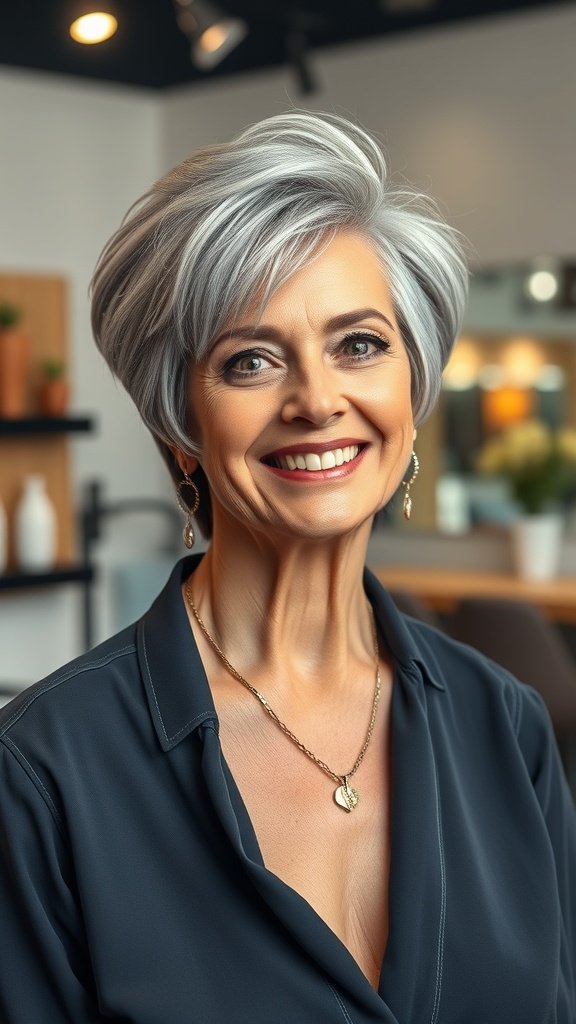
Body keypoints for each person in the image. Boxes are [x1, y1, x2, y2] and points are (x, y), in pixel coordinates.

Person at [0, 111, 574, 1024]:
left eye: (360, 345)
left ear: (412, 391)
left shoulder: (507, 727)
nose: (316, 400)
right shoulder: (41, 773)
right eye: (251, 360)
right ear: (178, 430)